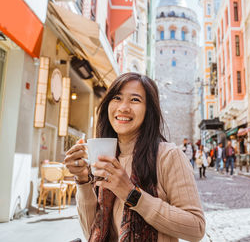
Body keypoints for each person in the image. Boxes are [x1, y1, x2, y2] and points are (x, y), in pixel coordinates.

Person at [64, 72, 205, 241]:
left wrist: (132, 194)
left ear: (149, 110)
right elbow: (92, 232)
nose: (123, 107)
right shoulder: (106, 157)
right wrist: (82, 180)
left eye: (135, 100)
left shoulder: (168, 156)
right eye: (117, 98)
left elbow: (196, 228)